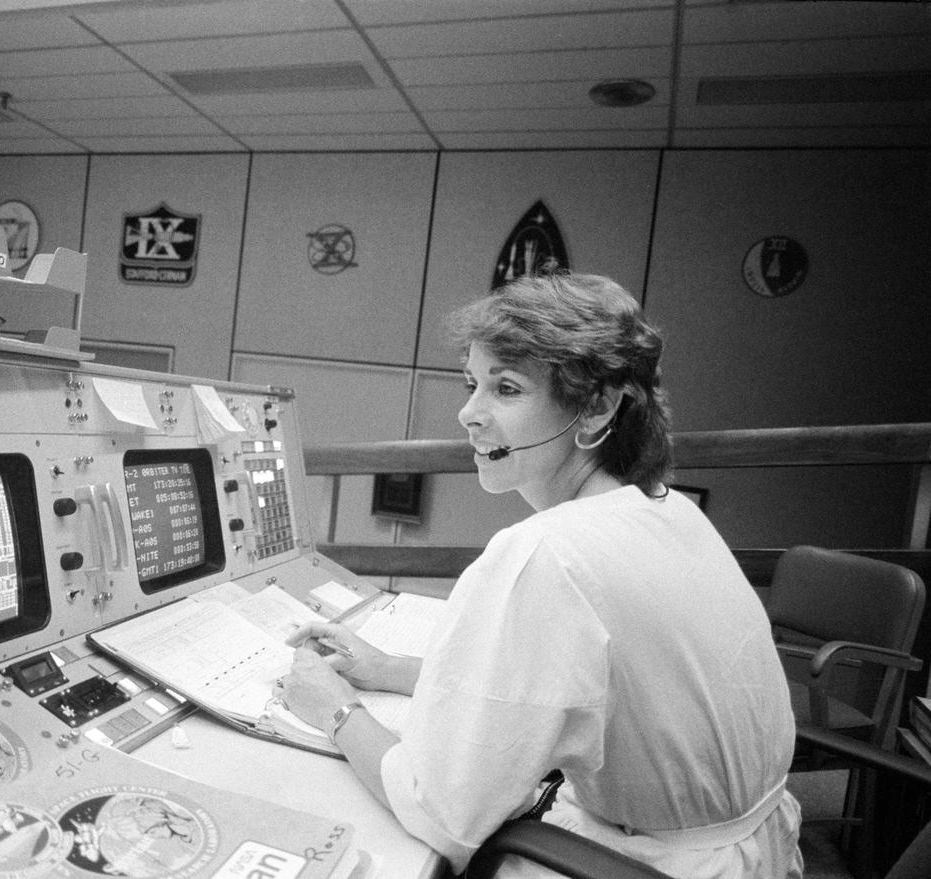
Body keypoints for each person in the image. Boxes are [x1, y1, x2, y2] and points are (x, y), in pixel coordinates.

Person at [278, 270, 802, 878]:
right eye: (472, 384)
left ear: (597, 407)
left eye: (506, 389)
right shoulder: (667, 511)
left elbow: (443, 813)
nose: (468, 414)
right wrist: (386, 670)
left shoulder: (547, 552)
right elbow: (571, 695)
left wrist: (336, 710)